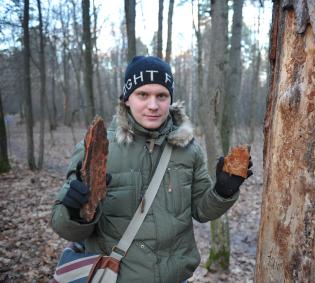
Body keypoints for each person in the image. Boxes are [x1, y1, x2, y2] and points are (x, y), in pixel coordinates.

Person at [51, 56, 252, 283]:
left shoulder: (188, 149)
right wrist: (75, 211)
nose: (153, 105)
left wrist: (223, 192)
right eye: (143, 95)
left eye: (161, 95)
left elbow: (202, 211)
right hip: (115, 277)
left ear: (170, 99)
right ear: (127, 99)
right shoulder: (99, 149)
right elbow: (64, 227)